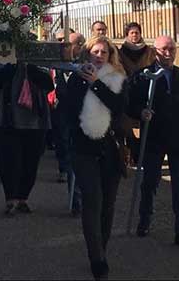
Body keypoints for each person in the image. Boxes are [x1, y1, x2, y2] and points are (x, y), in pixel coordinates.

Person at [128, 35, 179, 248]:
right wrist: (140, 112)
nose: (168, 53)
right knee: (150, 181)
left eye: (171, 49)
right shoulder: (143, 76)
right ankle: (144, 220)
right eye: (163, 49)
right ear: (155, 51)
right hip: (154, 138)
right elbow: (129, 103)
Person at [63, 35, 127, 280]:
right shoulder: (76, 79)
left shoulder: (117, 79)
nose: (99, 56)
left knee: (108, 205)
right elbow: (68, 110)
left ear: (110, 56)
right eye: (95, 52)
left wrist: (97, 84)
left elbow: (119, 107)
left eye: (104, 52)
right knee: (92, 202)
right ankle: (97, 259)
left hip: (110, 148)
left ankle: (102, 248)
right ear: (87, 53)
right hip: (84, 149)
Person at [0, 61, 53, 215]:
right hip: (7, 119)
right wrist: (11, 67)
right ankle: (11, 198)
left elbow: (48, 85)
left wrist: (31, 68)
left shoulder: (40, 63)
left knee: (31, 161)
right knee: (9, 161)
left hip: (35, 120)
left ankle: (23, 197)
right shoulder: (3, 61)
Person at [54, 33, 85, 211]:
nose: (64, 48)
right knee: (67, 149)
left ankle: (80, 197)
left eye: (69, 45)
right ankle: (75, 198)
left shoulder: (86, 64)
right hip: (64, 113)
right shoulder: (58, 63)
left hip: (83, 115)